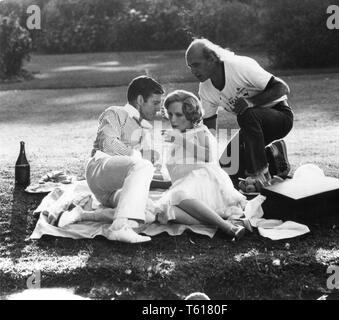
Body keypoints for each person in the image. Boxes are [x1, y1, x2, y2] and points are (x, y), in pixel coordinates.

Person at [185, 38, 294, 191]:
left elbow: (282, 88)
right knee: (228, 167)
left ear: (211, 59)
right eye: (190, 67)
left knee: (246, 114)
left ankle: (260, 174)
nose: (193, 71)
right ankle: (275, 157)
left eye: (196, 64)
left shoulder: (238, 66)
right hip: (252, 129)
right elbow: (209, 130)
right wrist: (206, 162)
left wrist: (251, 102)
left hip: (280, 117)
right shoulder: (205, 89)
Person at [154, 90, 250, 241]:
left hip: (206, 182)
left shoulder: (200, 131)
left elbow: (207, 156)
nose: (173, 119)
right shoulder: (177, 137)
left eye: (178, 115)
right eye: (170, 114)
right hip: (189, 189)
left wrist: (180, 140)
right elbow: (178, 177)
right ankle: (219, 222)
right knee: (164, 210)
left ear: (191, 114)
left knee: (177, 195)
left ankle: (228, 228)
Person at [84, 75, 164, 243]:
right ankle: (119, 228)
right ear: (141, 100)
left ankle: (81, 215)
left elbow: (146, 166)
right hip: (99, 169)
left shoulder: (144, 127)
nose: (158, 109)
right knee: (143, 166)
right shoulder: (115, 112)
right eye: (155, 103)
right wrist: (138, 157)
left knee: (150, 213)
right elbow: (107, 144)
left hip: (114, 190)